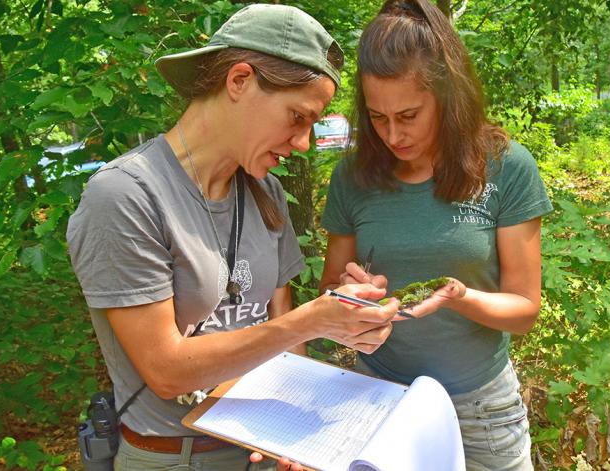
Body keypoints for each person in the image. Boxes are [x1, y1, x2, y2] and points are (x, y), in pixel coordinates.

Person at [66, 4, 399, 470]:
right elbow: (166, 371)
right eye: (297, 117)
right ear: (239, 80)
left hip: (263, 447)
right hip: (177, 456)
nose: (303, 142)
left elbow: (281, 328)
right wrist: (313, 320)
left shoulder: (266, 192)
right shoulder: (126, 196)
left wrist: (300, 431)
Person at [315, 1, 554, 470]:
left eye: (408, 115)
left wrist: (458, 296)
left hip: (480, 410)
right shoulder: (354, 176)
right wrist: (349, 298)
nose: (392, 135)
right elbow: (329, 289)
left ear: (448, 95)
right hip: (378, 398)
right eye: (378, 118)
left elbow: (523, 311)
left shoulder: (505, 167)